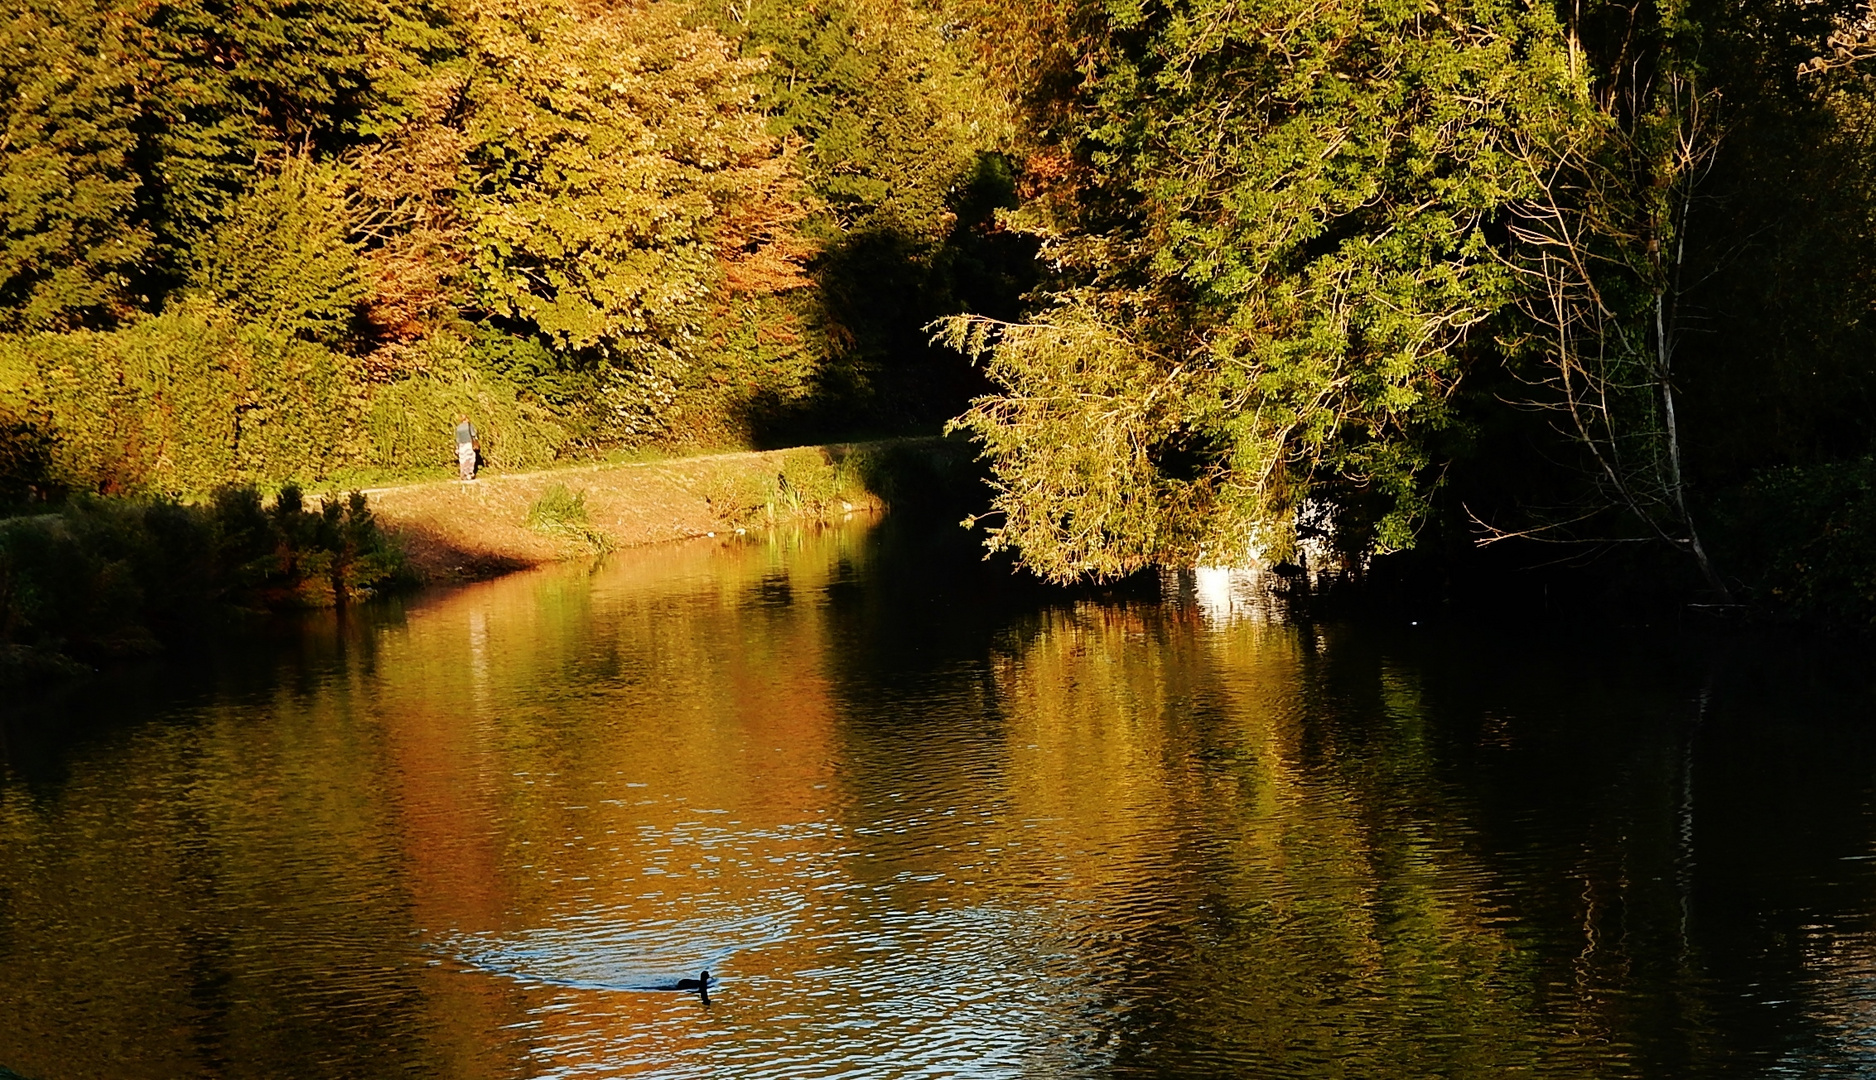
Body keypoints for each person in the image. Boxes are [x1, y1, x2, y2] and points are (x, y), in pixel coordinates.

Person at [455, 415, 479, 481]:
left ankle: (463, 473)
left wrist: (457, 448)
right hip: (469, 444)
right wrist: (476, 441)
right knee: (470, 458)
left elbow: (457, 439)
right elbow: (473, 435)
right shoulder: (469, 426)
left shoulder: (458, 427)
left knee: (463, 459)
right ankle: (469, 473)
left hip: (461, 445)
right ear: (467, 419)